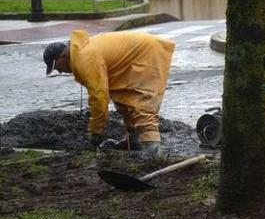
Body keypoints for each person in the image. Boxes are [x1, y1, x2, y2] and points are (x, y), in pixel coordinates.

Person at [43, 30, 175, 156]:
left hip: (147, 54)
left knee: (142, 106)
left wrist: (96, 130)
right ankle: (135, 141)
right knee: (123, 99)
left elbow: (99, 98)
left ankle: (153, 153)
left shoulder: (84, 59)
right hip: (134, 56)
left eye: (56, 67)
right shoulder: (80, 53)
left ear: (62, 56)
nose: (59, 71)